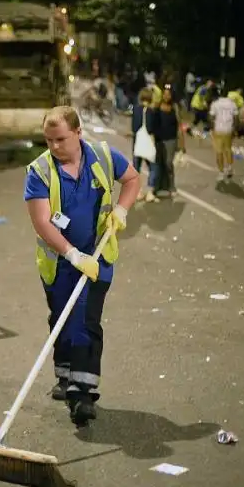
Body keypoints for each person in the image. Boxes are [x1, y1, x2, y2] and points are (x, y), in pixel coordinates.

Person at [23, 106, 140, 426]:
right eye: (48, 140)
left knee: (86, 321)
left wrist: (122, 209)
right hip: (60, 263)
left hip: (99, 257)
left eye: (60, 139)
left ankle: (82, 392)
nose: (54, 146)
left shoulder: (103, 157)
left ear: (78, 133)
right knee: (62, 319)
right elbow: (43, 224)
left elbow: (131, 179)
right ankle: (65, 375)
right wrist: (73, 255)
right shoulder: (40, 171)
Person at [154, 87, 186, 197]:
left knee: (168, 163)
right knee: (159, 163)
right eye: (165, 94)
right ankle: (157, 186)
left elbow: (179, 125)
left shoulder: (175, 107)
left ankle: (171, 186)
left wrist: (182, 143)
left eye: (169, 94)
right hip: (159, 139)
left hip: (171, 140)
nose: (166, 96)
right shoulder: (157, 107)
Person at [208, 85, 239, 183]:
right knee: (228, 149)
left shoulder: (215, 103)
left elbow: (211, 117)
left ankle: (221, 172)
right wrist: (235, 128)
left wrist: (211, 127)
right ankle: (229, 167)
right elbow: (236, 117)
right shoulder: (232, 103)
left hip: (218, 129)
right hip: (228, 129)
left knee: (219, 151)